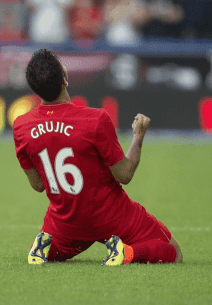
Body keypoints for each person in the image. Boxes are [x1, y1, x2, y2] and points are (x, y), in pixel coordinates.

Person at [13, 49, 183, 266]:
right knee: (173, 252)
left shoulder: (21, 126)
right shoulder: (96, 119)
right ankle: (126, 254)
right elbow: (125, 174)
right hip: (111, 216)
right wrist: (138, 136)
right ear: (64, 79)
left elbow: (37, 185)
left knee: (51, 246)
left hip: (66, 222)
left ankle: (43, 248)